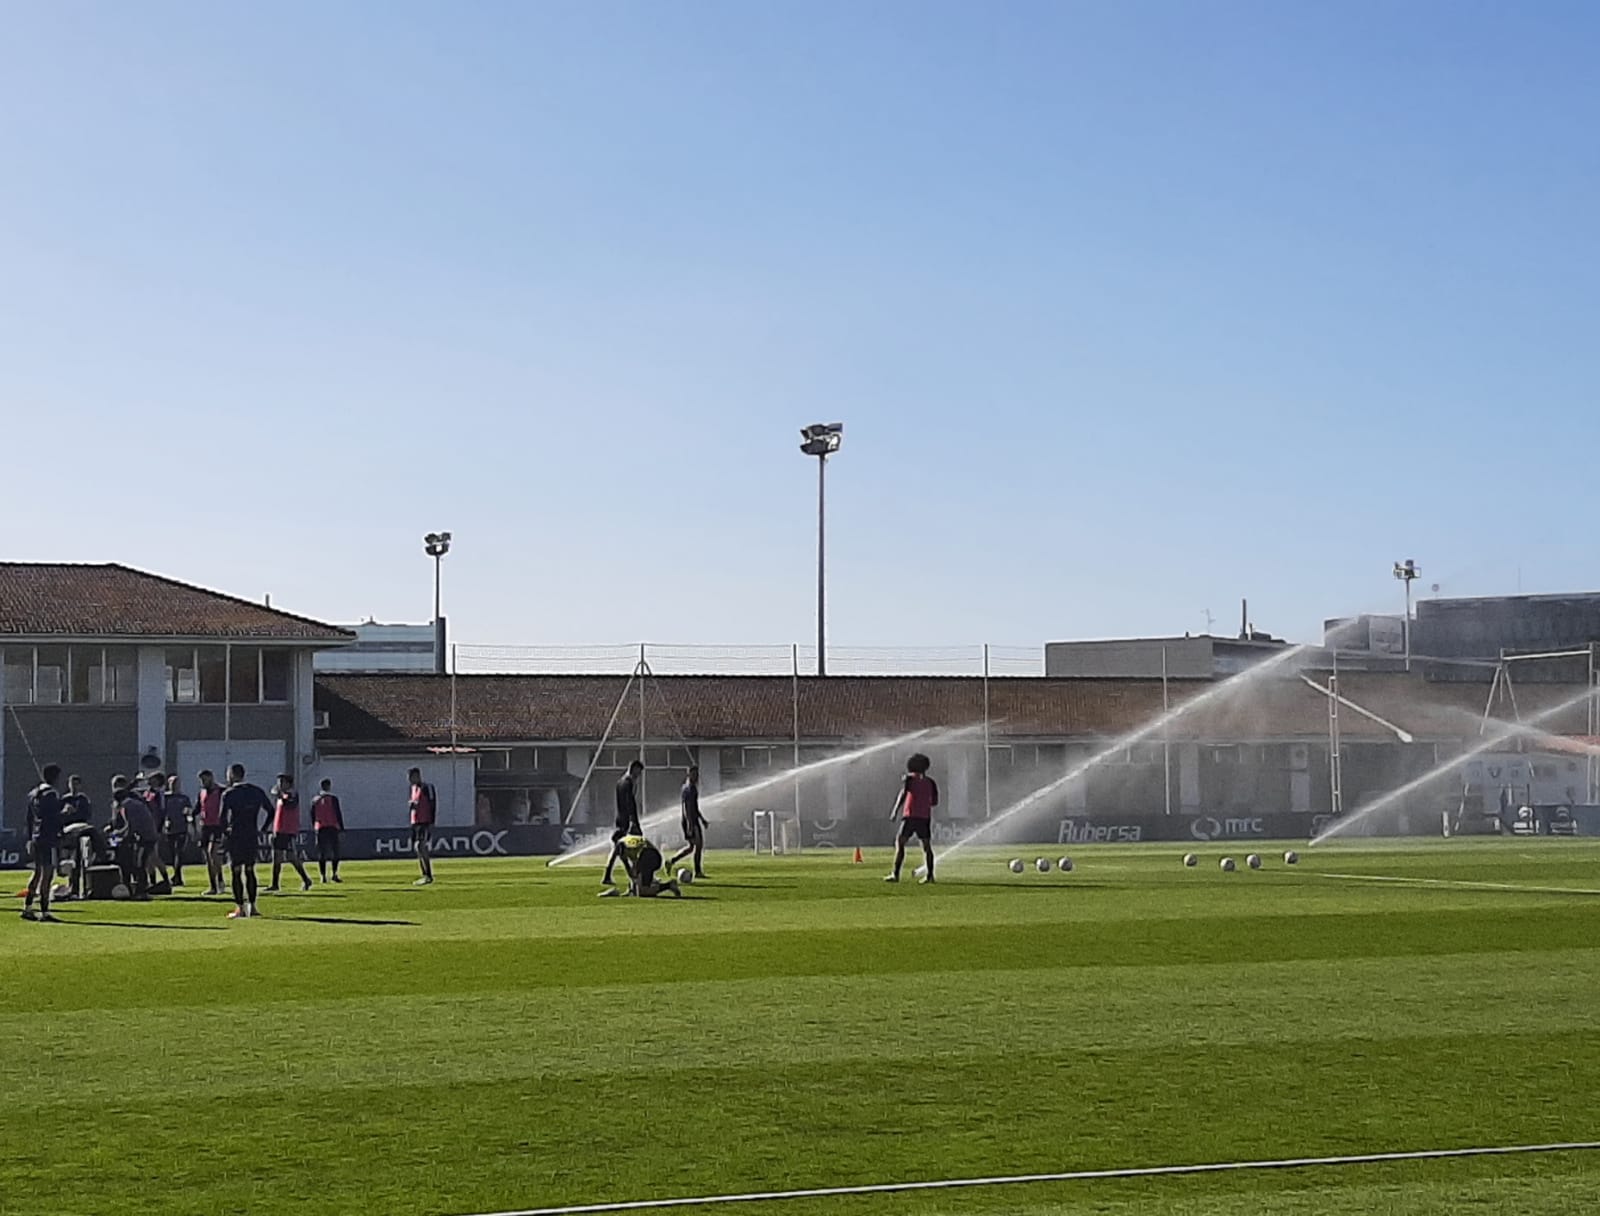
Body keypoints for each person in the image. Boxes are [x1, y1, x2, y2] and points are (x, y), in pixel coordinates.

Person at [220, 764, 273, 919]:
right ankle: (253, 907)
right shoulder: (256, 791)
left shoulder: (229, 794)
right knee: (250, 870)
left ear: (232, 775)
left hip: (236, 835)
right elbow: (270, 810)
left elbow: (222, 818)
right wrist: (263, 829)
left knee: (236, 871)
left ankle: (240, 908)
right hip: (251, 834)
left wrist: (225, 832)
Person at [886, 752, 938, 885]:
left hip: (910, 816)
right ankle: (930, 876)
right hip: (924, 817)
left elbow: (903, 794)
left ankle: (895, 874)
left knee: (900, 843)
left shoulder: (909, 779)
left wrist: (895, 811)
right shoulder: (931, 782)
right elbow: (934, 802)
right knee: (926, 847)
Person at [22, 764, 66, 922]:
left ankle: (27, 907)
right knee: (47, 874)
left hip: (36, 836)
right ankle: (45, 911)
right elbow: (52, 817)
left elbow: (29, 818)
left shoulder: (34, 794)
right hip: (48, 838)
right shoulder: (51, 794)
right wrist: (65, 814)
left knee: (37, 873)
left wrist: (29, 838)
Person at [110, 776, 160, 900]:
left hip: (147, 837)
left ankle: (142, 892)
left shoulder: (127, 806)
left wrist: (119, 835)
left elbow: (131, 827)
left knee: (139, 864)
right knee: (139, 863)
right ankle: (139, 890)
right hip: (147, 836)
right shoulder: (133, 803)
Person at [266, 774, 313, 893]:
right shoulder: (282, 797)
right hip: (279, 829)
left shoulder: (292, 795)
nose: (279, 785)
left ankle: (306, 879)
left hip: (288, 830)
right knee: (277, 857)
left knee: (290, 857)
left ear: (288, 784)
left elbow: (289, 804)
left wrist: (280, 795)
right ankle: (275, 884)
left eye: (282, 782)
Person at [602, 760, 645, 888]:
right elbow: (630, 803)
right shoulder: (628, 783)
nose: (640, 774)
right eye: (639, 771)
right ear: (634, 768)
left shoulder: (620, 782)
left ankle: (610, 875)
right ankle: (635, 877)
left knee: (619, 850)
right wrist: (633, 821)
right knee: (632, 850)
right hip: (626, 821)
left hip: (620, 819)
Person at [599, 833, 681, 899]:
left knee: (643, 892)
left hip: (647, 856)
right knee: (640, 889)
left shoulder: (620, 844)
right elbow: (633, 869)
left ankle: (669, 885)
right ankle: (661, 885)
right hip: (655, 857)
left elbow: (631, 870)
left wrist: (633, 886)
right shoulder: (629, 840)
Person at [668, 765, 708, 879]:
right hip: (690, 821)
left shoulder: (689, 787)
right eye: (694, 774)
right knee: (698, 846)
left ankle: (671, 861)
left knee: (691, 847)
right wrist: (690, 824)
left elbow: (694, 807)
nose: (696, 777)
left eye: (697, 775)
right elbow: (687, 808)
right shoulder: (689, 788)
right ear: (689, 774)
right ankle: (698, 871)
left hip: (692, 820)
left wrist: (702, 819)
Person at [194, 769, 227, 895]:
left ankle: (220, 880)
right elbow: (198, 807)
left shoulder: (221, 791)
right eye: (201, 780)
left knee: (213, 852)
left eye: (205, 779)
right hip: (205, 826)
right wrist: (190, 814)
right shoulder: (202, 793)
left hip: (217, 826)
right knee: (208, 857)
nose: (203, 782)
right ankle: (213, 885)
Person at [311, 778, 345, 883]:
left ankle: (323, 876)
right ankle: (334, 874)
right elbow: (338, 814)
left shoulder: (315, 800)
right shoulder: (333, 799)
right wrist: (342, 828)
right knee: (335, 852)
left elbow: (312, 815)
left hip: (320, 827)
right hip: (332, 827)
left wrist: (315, 826)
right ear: (329, 786)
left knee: (322, 853)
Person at [143, 772, 173, 889]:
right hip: (146, 828)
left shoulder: (159, 794)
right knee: (148, 858)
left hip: (154, 829)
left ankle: (166, 880)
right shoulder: (147, 793)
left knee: (154, 856)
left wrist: (160, 828)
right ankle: (152, 881)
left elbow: (161, 811)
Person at [163, 775, 193, 888]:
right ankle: (176, 876)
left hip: (181, 827)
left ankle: (177, 876)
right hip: (170, 829)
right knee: (172, 853)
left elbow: (189, 811)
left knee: (179, 852)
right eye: (172, 783)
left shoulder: (184, 798)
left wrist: (190, 822)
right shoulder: (166, 798)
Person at [408, 767, 437, 886]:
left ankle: (428, 875)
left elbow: (432, 804)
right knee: (417, 848)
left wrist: (432, 822)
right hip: (416, 822)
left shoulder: (427, 788)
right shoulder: (413, 789)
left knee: (421, 846)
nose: (410, 780)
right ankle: (424, 874)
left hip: (424, 821)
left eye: (412, 777)